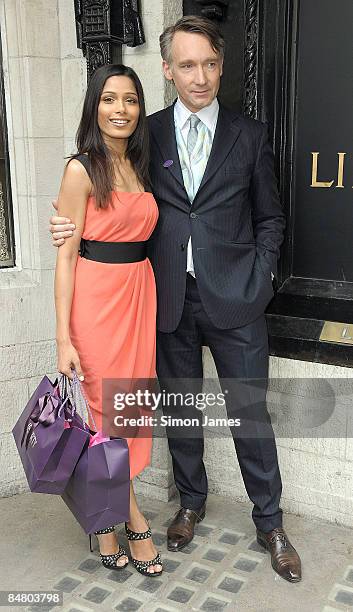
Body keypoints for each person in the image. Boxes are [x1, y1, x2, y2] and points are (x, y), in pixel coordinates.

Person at [50, 16, 301, 582]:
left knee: (249, 413)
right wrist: (67, 229)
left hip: (236, 301)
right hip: (162, 303)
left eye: (210, 63)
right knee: (181, 412)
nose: (201, 76)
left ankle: (271, 522)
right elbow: (103, 192)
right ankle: (190, 504)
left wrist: (259, 280)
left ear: (221, 65)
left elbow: (271, 219)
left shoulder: (251, 135)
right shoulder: (147, 135)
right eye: (187, 65)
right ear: (167, 70)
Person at [54, 63, 162, 576]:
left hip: (139, 298)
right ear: (94, 106)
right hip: (96, 305)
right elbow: (66, 256)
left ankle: (102, 524)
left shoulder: (142, 164)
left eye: (131, 100)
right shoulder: (81, 168)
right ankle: (133, 518)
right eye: (109, 99)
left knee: (130, 412)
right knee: (107, 419)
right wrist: (62, 337)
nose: (120, 110)